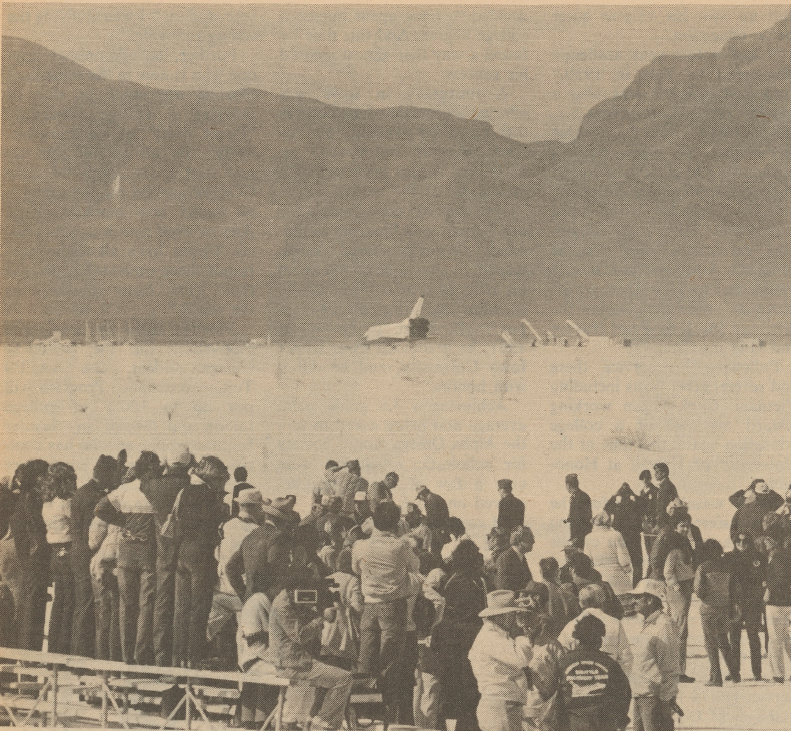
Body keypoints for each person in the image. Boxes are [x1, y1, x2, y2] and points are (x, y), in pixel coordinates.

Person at [352, 501, 419, 722]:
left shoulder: (360, 546)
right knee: (390, 664)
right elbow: (415, 568)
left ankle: (363, 715)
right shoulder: (401, 546)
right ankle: (386, 715)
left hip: (369, 606)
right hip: (393, 606)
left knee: (366, 661)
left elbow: (355, 568)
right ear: (397, 522)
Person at [95, 450, 161, 665]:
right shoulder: (155, 491)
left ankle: (126, 657)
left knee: (126, 605)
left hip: (125, 551)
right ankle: (141, 655)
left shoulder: (125, 490)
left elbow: (100, 509)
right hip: (148, 552)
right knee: (146, 604)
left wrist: (123, 522)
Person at [268, 577, 354, 731]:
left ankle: (318, 720)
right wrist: (322, 618)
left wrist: (315, 611)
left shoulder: (287, 599)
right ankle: (323, 724)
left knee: (337, 673)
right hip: (294, 664)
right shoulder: (283, 605)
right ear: (296, 588)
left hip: (295, 661)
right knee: (344, 678)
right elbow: (300, 635)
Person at [141, 443, 194, 666]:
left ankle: (160, 655)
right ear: (188, 463)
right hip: (185, 550)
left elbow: (143, 482)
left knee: (161, 603)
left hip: (163, 550)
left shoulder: (153, 486)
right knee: (182, 605)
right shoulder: (192, 487)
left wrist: (161, 466)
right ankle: (177, 657)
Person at [172, 455, 228, 668]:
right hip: (201, 555)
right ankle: (193, 658)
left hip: (183, 552)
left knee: (182, 609)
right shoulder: (209, 496)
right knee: (199, 609)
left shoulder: (184, 491)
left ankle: (178, 659)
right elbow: (214, 527)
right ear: (214, 478)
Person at [432, 539, 487, 731]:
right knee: (464, 696)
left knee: (465, 696)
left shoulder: (468, 580)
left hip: (461, 642)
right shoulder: (461, 582)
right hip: (461, 644)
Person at [70, 453, 121, 657]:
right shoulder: (95, 497)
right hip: (87, 553)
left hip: (77, 551)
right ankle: (82, 655)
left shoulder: (82, 492)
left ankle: (77, 653)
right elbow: (95, 533)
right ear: (107, 474)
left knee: (82, 604)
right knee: (87, 605)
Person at [207, 487, 265, 654]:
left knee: (206, 628)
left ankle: (188, 660)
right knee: (246, 637)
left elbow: (217, 554)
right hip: (243, 592)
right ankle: (245, 672)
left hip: (221, 588)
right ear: (256, 507)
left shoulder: (225, 525)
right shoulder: (256, 531)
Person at [468, 590, 533, 731]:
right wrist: (523, 632)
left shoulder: (498, 636)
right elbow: (521, 659)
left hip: (502, 704)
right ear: (502, 616)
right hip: (500, 705)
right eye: (512, 615)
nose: (514, 619)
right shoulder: (491, 638)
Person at [554, 614, 631, 731]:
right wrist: (619, 720)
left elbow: (554, 695)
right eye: (600, 637)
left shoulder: (563, 662)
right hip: (603, 724)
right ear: (597, 638)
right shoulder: (609, 663)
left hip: (572, 724)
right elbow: (624, 693)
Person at [625, 579, 680, 731]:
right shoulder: (649, 623)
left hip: (654, 698)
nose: (633, 601)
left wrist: (666, 699)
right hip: (641, 694)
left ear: (649, 600)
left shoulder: (664, 625)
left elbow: (670, 665)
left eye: (638, 597)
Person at [8, 459, 50, 650]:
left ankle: (27, 651)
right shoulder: (33, 498)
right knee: (33, 604)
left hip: (29, 558)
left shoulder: (24, 497)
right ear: (37, 478)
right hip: (35, 558)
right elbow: (38, 528)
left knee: (29, 603)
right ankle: (29, 652)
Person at [225, 497, 295, 602]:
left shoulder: (252, 535)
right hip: (269, 600)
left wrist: (244, 594)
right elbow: (277, 570)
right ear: (281, 520)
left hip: (250, 598)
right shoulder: (278, 536)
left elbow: (230, 567)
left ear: (267, 516)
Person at [41, 462, 78, 654]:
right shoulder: (66, 503)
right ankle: (65, 648)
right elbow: (77, 524)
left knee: (59, 600)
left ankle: (54, 647)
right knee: (70, 600)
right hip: (68, 550)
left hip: (55, 552)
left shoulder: (47, 503)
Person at [557, 584, 632, 675]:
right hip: (608, 681)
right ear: (603, 600)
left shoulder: (571, 625)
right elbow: (626, 658)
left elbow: (560, 655)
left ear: (580, 603)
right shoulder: (615, 623)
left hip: (578, 680)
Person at [694, 539, 739, 685]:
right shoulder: (728, 567)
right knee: (724, 640)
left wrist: (707, 596)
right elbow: (735, 588)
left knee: (710, 643)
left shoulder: (703, 567)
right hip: (724, 608)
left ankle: (716, 677)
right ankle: (734, 674)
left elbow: (698, 590)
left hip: (708, 609)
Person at [725, 531, 766, 681]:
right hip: (734, 603)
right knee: (734, 638)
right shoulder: (728, 558)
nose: (742, 544)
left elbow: (763, 579)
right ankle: (734, 671)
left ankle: (757, 672)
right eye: (738, 542)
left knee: (753, 637)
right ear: (734, 542)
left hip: (752, 603)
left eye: (745, 541)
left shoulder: (758, 558)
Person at [520, 602, 566, 731]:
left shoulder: (552, 646)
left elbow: (563, 677)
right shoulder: (518, 644)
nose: (526, 627)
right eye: (521, 620)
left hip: (547, 710)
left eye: (529, 621)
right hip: (525, 711)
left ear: (538, 621)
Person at [663, 513, 696, 683]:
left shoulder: (686, 544)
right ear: (675, 527)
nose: (685, 529)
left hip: (686, 587)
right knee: (680, 630)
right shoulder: (674, 547)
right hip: (678, 590)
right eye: (682, 525)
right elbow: (668, 571)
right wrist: (675, 585)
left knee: (679, 628)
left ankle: (676, 669)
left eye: (687, 525)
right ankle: (678, 671)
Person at [762, 534, 791, 682]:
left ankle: (778, 674)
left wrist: (768, 589)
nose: (764, 542)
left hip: (777, 602)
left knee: (775, 639)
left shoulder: (778, 556)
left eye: (767, 539)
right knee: (786, 638)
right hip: (786, 601)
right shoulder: (783, 555)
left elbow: (781, 577)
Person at [604, 482, 643, 585]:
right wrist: (633, 495)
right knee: (637, 564)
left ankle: (623, 586)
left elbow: (606, 507)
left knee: (621, 563)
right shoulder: (635, 504)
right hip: (634, 538)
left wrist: (615, 495)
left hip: (622, 538)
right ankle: (637, 586)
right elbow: (643, 505)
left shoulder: (618, 506)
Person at [585, 511, 632, 597]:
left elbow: (588, 560)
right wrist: (628, 570)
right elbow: (623, 559)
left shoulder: (588, 537)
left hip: (599, 578)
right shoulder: (616, 535)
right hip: (618, 578)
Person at [730, 479, 784, 546]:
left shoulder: (745, 503)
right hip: (761, 544)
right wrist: (770, 491)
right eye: (762, 487)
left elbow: (732, 498)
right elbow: (781, 501)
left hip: (745, 543)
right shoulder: (769, 505)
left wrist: (746, 489)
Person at [538, 557, 579, 637]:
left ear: (541, 572)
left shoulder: (534, 592)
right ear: (558, 571)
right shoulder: (568, 595)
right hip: (565, 637)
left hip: (544, 639)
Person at [495, 525, 534, 591]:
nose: (533, 542)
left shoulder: (522, 558)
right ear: (518, 540)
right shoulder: (505, 558)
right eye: (529, 539)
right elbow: (503, 587)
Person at [416, 485, 450, 553]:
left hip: (438, 530)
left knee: (435, 552)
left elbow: (434, 518)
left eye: (420, 498)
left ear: (422, 494)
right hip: (440, 529)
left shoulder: (431, 500)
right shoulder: (434, 498)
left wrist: (423, 520)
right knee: (436, 552)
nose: (421, 500)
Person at [564, 474, 592, 550]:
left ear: (568, 485)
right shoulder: (579, 496)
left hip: (580, 537)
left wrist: (577, 537)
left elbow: (583, 519)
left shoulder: (580, 497)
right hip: (578, 536)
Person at [653, 464, 678, 529]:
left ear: (664, 473)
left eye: (657, 472)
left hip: (665, 523)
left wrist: (658, 523)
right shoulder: (665, 485)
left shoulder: (666, 486)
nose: (655, 474)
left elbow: (662, 506)